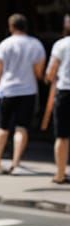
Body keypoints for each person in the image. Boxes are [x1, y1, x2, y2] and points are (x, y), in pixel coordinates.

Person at [0, 13, 46, 174]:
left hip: (7, 89)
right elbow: (38, 72)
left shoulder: (5, 44)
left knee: (2, 127)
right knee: (21, 128)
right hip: (27, 90)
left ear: (11, 27)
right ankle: (16, 164)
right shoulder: (36, 45)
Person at [41, 12, 70, 184]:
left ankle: (60, 174)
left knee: (62, 135)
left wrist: (48, 78)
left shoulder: (61, 44)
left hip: (65, 91)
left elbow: (51, 72)